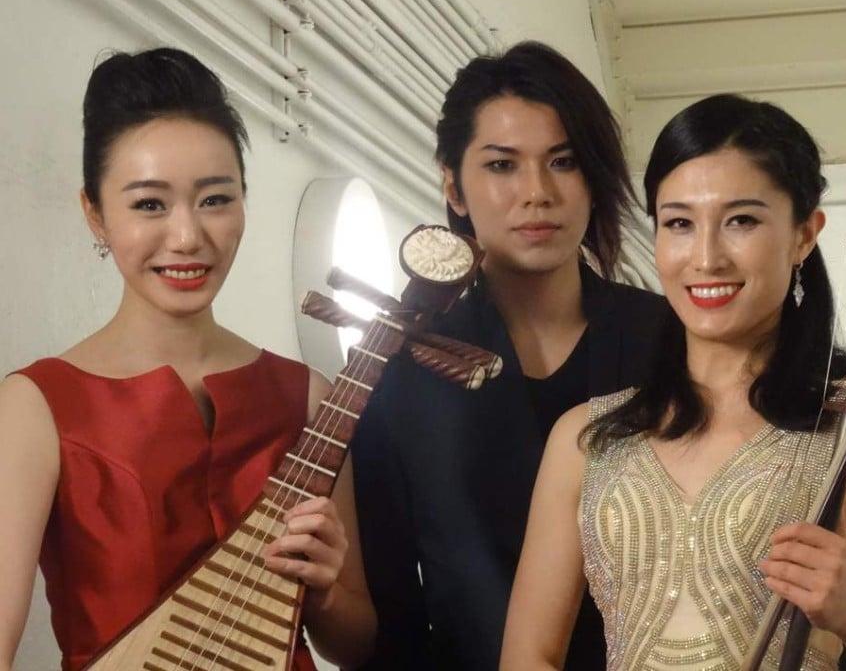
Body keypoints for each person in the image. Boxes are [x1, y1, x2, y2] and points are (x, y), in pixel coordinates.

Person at [501, 94, 846, 671]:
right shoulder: (586, 438)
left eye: (741, 221)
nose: (705, 257)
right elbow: (529, 657)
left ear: (804, 235)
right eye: (678, 223)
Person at [0, 48, 375, 671]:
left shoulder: (308, 394)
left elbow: (356, 645)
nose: (187, 237)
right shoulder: (35, 408)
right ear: (95, 213)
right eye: (149, 204)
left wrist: (328, 591)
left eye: (215, 199)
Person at [349, 41, 670, 669]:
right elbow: (394, 618)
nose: (537, 192)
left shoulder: (671, 342)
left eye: (565, 161)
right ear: (454, 187)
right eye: (502, 165)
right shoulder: (400, 369)